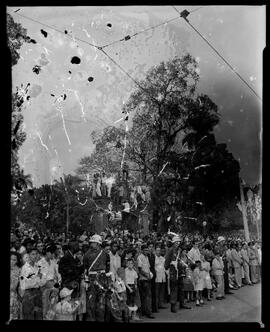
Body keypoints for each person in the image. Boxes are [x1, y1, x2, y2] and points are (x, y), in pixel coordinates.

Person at [83, 234, 110, 321]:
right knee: (93, 302)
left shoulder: (88, 254)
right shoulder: (104, 253)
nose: (91, 244)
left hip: (96, 279)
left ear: (98, 243)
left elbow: (85, 266)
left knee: (99, 303)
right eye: (91, 242)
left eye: (93, 242)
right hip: (97, 279)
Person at [20, 246, 47, 320]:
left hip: (38, 292)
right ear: (28, 255)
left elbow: (42, 282)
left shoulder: (38, 266)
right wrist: (38, 277)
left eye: (36, 254)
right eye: (33, 254)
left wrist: (36, 279)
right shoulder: (25, 268)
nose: (35, 256)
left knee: (38, 315)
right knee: (29, 315)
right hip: (28, 293)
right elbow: (27, 284)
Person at [38, 244, 61, 319]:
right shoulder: (40, 263)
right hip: (45, 288)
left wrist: (57, 284)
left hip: (53, 287)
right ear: (48, 253)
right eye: (53, 253)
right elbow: (40, 279)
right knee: (45, 307)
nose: (54, 255)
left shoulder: (53, 262)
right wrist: (49, 284)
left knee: (53, 308)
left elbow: (57, 275)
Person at [137, 244, 154, 318]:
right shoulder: (140, 257)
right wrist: (147, 275)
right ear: (142, 250)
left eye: (147, 250)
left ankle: (146, 311)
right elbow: (140, 269)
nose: (146, 251)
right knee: (147, 296)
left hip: (147, 278)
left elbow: (148, 267)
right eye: (145, 250)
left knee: (146, 296)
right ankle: (148, 312)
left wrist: (150, 274)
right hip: (143, 279)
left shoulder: (147, 257)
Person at [10, 252, 22, 320]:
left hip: (13, 294)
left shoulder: (19, 270)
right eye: (10, 259)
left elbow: (16, 286)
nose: (11, 261)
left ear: (17, 261)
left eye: (14, 260)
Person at [154, 246, 167, 310]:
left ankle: (161, 304)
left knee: (162, 292)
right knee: (156, 292)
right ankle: (156, 305)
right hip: (157, 277)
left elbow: (164, 267)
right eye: (158, 250)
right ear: (155, 251)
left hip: (163, 276)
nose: (159, 252)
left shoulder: (163, 258)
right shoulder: (154, 258)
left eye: (160, 250)